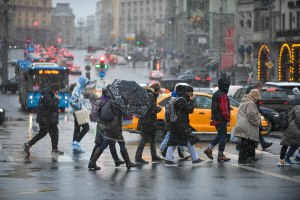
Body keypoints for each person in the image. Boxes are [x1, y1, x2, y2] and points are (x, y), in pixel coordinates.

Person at [88, 99, 138, 170]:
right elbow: (125, 114)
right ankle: (128, 163)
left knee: (104, 144)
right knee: (122, 144)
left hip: (108, 126)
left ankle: (92, 162)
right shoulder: (119, 103)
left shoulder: (110, 102)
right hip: (115, 128)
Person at [165, 84, 204, 166]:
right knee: (187, 140)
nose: (191, 94)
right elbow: (190, 110)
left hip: (175, 124)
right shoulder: (181, 100)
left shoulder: (175, 99)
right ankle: (195, 159)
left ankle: (169, 159)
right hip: (181, 124)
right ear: (186, 93)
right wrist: (192, 100)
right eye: (190, 93)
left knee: (174, 141)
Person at [88, 89, 125, 170]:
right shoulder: (109, 102)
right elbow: (110, 116)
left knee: (110, 142)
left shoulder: (100, 100)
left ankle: (116, 160)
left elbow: (94, 115)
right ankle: (92, 162)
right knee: (103, 143)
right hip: (106, 125)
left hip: (100, 124)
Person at [23, 83, 64, 155]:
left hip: (49, 119)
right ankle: (28, 144)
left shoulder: (50, 95)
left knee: (55, 131)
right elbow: (52, 106)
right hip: (44, 118)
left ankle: (54, 149)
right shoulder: (47, 96)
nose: (57, 93)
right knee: (43, 133)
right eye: (57, 91)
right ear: (54, 91)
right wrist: (57, 99)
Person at [159, 83, 191, 159]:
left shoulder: (175, 97)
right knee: (169, 137)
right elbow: (172, 111)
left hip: (173, 121)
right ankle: (161, 151)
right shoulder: (177, 98)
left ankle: (181, 152)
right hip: (174, 122)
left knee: (176, 137)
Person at [135, 83, 164, 164]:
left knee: (152, 140)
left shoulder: (147, 95)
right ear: (156, 90)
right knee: (144, 140)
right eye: (158, 91)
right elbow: (152, 109)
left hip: (148, 122)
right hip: (148, 122)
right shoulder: (150, 96)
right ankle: (138, 157)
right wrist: (159, 108)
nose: (159, 93)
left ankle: (154, 156)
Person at [204, 77, 231, 162]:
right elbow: (224, 109)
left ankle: (209, 149)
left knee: (220, 135)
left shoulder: (216, 94)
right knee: (223, 137)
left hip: (216, 118)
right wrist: (227, 119)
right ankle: (220, 154)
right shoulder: (223, 95)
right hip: (221, 119)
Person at [234, 89, 261, 163]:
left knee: (247, 142)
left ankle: (249, 157)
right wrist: (257, 122)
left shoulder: (244, 101)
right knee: (248, 142)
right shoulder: (250, 103)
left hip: (242, 124)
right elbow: (251, 115)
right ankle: (244, 159)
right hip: (248, 126)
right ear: (255, 97)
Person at [243, 81, 273, 150]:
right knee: (254, 131)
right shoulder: (254, 93)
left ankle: (262, 144)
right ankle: (256, 146)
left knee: (256, 131)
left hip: (252, 113)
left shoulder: (251, 91)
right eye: (261, 87)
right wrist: (261, 115)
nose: (261, 89)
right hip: (252, 114)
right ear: (259, 86)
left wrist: (262, 113)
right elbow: (254, 107)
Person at [70, 76, 90, 153]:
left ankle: (75, 146)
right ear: (83, 83)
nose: (86, 85)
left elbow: (80, 100)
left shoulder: (80, 89)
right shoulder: (77, 89)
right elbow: (72, 101)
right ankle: (76, 142)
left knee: (77, 129)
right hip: (78, 112)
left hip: (77, 111)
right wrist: (79, 106)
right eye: (86, 83)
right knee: (86, 128)